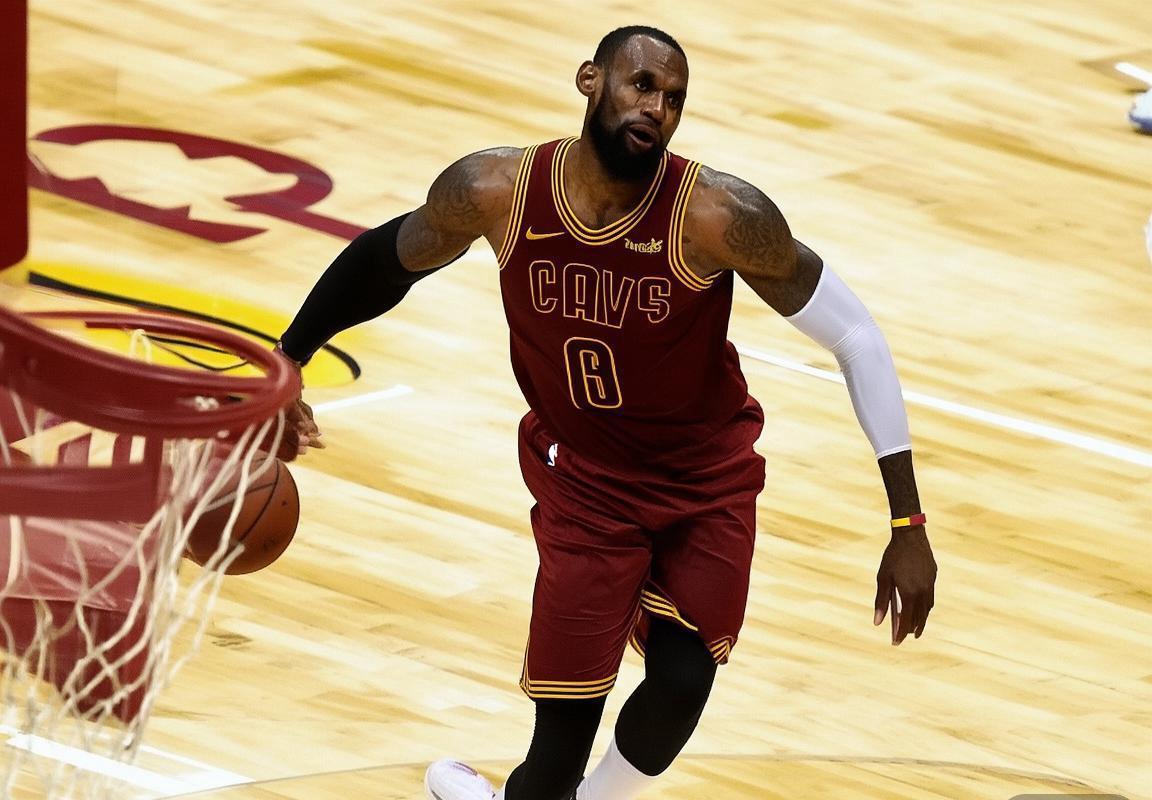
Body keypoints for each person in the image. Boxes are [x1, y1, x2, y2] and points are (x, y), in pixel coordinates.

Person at [275, 25, 938, 800]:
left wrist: (907, 523)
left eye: (674, 98)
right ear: (590, 79)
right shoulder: (498, 191)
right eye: (641, 84)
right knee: (557, 751)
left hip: (703, 477)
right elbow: (384, 262)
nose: (656, 108)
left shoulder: (718, 215)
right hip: (585, 483)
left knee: (682, 684)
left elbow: (856, 335)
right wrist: (289, 360)